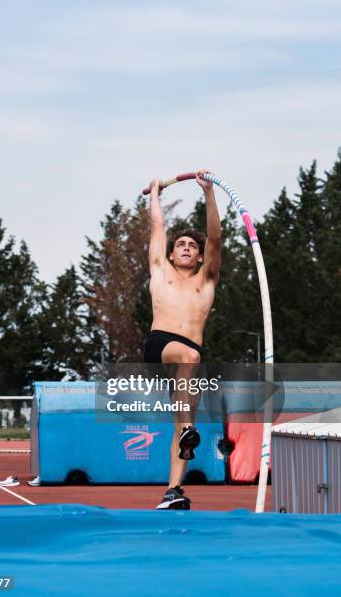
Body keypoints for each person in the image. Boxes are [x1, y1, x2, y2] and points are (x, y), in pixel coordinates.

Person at [144, 170, 222, 510]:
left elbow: (215, 239)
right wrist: (155, 196)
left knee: (182, 428)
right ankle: (189, 428)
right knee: (189, 357)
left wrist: (208, 193)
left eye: (193, 245)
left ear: (201, 257)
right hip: (161, 347)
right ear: (172, 254)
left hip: (191, 358)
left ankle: (173, 490)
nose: (187, 247)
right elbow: (158, 229)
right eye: (181, 245)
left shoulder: (206, 283)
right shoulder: (161, 272)